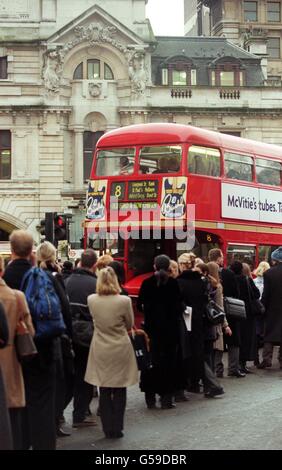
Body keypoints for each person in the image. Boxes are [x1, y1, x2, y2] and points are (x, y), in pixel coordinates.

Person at [85, 267, 138, 438]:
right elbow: (129, 324)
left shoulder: (92, 299)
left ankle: (107, 427)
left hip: (100, 345)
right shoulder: (123, 301)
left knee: (105, 388)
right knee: (120, 388)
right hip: (120, 346)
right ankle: (118, 426)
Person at [36, 242, 73, 438]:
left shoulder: (32, 275)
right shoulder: (54, 276)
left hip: (35, 336)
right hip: (54, 337)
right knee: (62, 382)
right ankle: (55, 420)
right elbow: (64, 307)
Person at [137, 255, 184, 409]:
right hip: (170, 331)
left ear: (154, 266)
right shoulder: (173, 284)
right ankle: (166, 398)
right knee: (169, 364)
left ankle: (149, 397)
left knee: (151, 362)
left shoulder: (146, 283)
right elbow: (179, 307)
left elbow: (139, 305)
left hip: (152, 330)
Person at [0, 254, 34, 450]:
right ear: (2, 270)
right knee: (12, 419)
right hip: (10, 362)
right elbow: (30, 332)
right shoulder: (15, 297)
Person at [65, 249, 98, 427]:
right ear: (94, 265)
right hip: (87, 334)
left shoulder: (67, 281)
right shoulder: (95, 284)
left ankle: (59, 413)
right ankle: (80, 413)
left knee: (70, 374)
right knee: (85, 374)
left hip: (68, 333)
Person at [208, 248, 244, 378]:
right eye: (222, 256)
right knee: (233, 340)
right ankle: (233, 368)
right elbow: (236, 292)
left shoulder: (205, 272)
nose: (223, 259)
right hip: (228, 312)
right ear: (218, 258)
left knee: (216, 341)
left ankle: (218, 370)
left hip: (211, 314)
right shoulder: (228, 273)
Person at [230, 261, 260, 374]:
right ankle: (242, 364)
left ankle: (234, 364)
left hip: (234, 312)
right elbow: (256, 294)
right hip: (247, 313)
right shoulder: (247, 280)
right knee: (247, 339)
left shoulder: (231, 279)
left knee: (237, 339)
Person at [260, 247, 282, 369]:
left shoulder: (268, 273)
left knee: (269, 334)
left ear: (275, 260)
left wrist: (263, 307)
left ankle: (267, 359)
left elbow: (266, 294)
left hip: (272, 309)